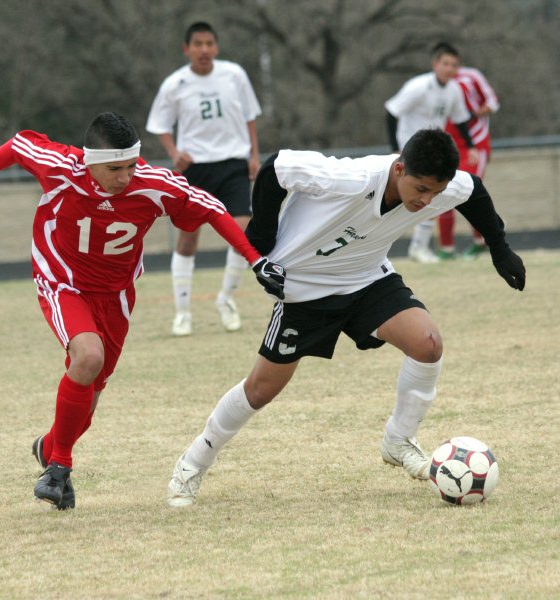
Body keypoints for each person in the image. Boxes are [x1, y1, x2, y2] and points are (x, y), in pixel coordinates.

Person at [164, 129, 526, 507]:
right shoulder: (350, 178)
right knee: (261, 389)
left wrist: (500, 249)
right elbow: (276, 167)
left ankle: (398, 441)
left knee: (428, 343)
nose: (427, 201)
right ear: (399, 169)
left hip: (367, 279)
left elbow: (475, 191)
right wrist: (263, 235)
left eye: (436, 193)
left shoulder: (435, 188)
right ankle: (192, 464)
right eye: (420, 189)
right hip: (304, 289)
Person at [0, 112, 284, 510]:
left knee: (87, 404)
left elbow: (210, 208)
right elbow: (18, 145)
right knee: (87, 356)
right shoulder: (61, 167)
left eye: (130, 165)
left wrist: (255, 261)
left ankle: (49, 448)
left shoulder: (152, 185)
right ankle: (58, 468)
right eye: (114, 168)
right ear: (90, 161)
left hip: (116, 296)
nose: (124, 177)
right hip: (62, 282)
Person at [146, 21, 262, 336]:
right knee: (187, 238)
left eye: (209, 43)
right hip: (196, 168)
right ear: (187, 49)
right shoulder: (175, 83)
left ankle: (226, 299)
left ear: (217, 47)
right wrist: (173, 151)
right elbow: (159, 124)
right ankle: (182, 312)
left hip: (233, 164)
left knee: (242, 234)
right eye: (197, 44)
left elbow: (250, 116)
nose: (204, 50)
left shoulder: (234, 75)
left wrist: (254, 155)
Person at [385, 42, 479, 264]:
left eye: (454, 65)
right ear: (435, 63)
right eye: (445, 63)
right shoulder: (418, 86)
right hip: (409, 152)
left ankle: (419, 247)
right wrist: (395, 149)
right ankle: (392, 249)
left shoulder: (454, 90)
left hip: (432, 152)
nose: (449, 68)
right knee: (401, 200)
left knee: (434, 196)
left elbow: (461, 119)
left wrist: (471, 146)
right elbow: (391, 112)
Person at [442, 64, 501, 260]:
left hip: (474, 145)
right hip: (448, 145)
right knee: (441, 192)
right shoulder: (430, 86)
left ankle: (484, 242)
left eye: (450, 63)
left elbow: (493, 102)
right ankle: (446, 249)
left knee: (470, 192)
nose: (447, 68)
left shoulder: (470, 77)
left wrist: (477, 114)